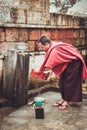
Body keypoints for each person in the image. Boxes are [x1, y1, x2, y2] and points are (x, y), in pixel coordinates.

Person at [37, 36, 87, 110]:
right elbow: (58, 61)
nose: (42, 49)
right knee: (62, 82)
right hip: (68, 63)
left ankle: (66, 101)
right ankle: (63, 99)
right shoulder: (54, 45)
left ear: (47, 44)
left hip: (75, 63)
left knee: (68, 82)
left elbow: (50, 64)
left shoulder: (55, 49)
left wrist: (43, 71)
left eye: (42, 47)